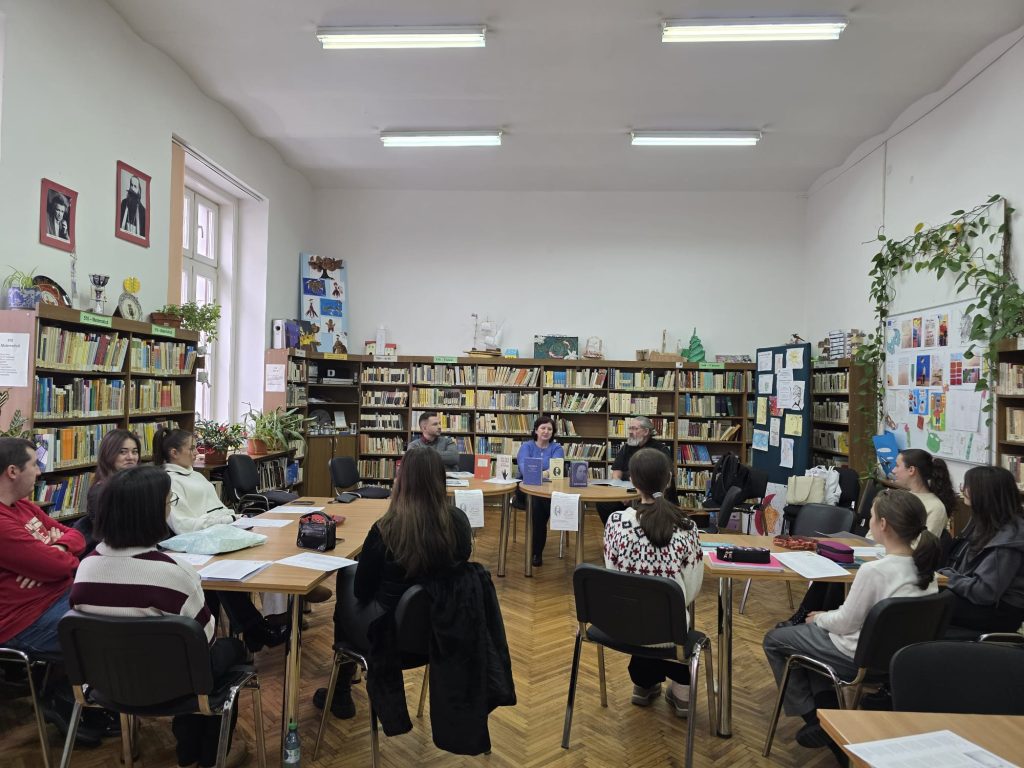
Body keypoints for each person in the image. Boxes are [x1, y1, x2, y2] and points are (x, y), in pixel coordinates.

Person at [71, 466, 249, 768]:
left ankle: (189, 752)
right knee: (230, 652)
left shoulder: (85, 568)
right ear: (152, 513)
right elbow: (204, 640)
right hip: (170, 686)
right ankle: (207, 755)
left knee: (186, 661)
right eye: (170, 502)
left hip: (108, 685)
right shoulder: (173, 573)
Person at [763, 489, 942, 754]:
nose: (870, 522)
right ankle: (828, 713)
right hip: (900, 660)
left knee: (775, 640)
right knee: (805, 647)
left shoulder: (874, 571)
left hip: (856, 656)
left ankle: (817, 720)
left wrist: (819, 618)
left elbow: (845, 623)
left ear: (883, 524)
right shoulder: (928, 572)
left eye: (871, 517)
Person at [316, 447, 473, 720]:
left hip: (388, 638)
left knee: (347, 578)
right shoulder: (458, 523)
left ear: (403, 480)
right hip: (439, 631)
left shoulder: (386, 528)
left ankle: (341, 690)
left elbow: (361, 591)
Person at [0, 437, 115, 745]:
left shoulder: (22, 506)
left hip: (58, 596)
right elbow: (55, 566)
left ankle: (73, 695)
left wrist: (57, 550)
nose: (40, 472)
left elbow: (77, 534)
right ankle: (65, 698)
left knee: (120, 607)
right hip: (24, 621)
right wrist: (54, 559)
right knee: (110, 634)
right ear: (12, 471)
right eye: (34, 465)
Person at [778, 447, 956, 627]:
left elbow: (918, 544)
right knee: (832, 568)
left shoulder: (933, 506)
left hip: (895, 564)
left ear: (911, 470)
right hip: (879, 555)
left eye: (897, 465)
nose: (893, 470)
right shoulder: (903, 498)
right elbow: (874, 535)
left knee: (839, 579)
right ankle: (806, 616)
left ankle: (818, 620)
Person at [153, 427, 289, 651]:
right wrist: (222, 520)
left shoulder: (195, 475)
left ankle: (274, 617)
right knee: (228, 572)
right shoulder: (169, 481)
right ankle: (255, 628)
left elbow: (216, 508)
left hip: (217, 531)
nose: (196, 453)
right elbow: (184, 525)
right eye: (191, 448)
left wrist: (230, 517)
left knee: (267, 552)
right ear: (174, 453)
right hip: (194, 542)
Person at [603, 448, 702, 716]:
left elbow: (613, 574)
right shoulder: (686, 527)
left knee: (640, 606)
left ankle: (643, 684)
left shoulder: (615, 523)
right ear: (668, 480)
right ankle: (682, 693)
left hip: (622, 625)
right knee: (667, 615)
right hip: (669, 626)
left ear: (633, 482)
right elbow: (692, 588)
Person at [938, 465, 1024, 633]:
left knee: (926, 604)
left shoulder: (1010, 539)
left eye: (967, 486)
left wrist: (949, 579)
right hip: (980, 603)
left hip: (999, 613)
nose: (963, 489)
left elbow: (984, 592)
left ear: (984, 493)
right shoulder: (986, 524)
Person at [597, 416, 676, 525]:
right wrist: (621, 493)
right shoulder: (626, 448)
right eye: (630, 428)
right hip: (626, 491)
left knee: (643, 508)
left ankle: (640, 531)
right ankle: (616, 530)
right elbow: (616, 472)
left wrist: (639, 494)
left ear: (646, 431)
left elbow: (665, 478)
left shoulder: (660, 449)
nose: (630, 432)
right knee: (603, 504)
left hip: (650, 494)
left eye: (634, 428)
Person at [75, 429, 141, 555]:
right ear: (108, 454)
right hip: (111, 553)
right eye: (123, 452)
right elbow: (111, 535)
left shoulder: (137, 485)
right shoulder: (100, 491)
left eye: (135, 452)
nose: (131, 457)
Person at [516, 415, 565, 567]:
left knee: (540, 504)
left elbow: (557, 468)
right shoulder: (526, 446)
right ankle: (536, 552)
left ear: (553, 432)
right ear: (536, 430)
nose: (546, 431)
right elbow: (524, 469)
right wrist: (545, 472)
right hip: (525, 489)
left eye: (549, 429)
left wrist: (537, 472)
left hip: (549, 490)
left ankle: (536, 550)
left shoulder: (557, 448)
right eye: (543, 428)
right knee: (537, 503)